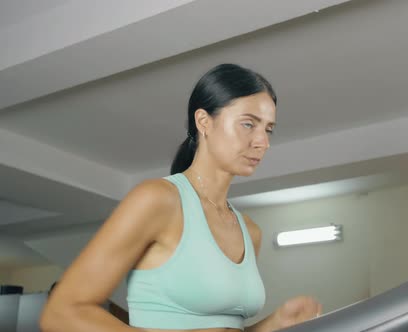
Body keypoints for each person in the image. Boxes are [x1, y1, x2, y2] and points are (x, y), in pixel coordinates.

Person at [40, 64, 322, 332]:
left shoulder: (250, 231)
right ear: (204, 122)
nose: (263, 141)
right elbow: (62, 312)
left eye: (268, 129)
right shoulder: (158, 200)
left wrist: (274, 324)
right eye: (249, 124)